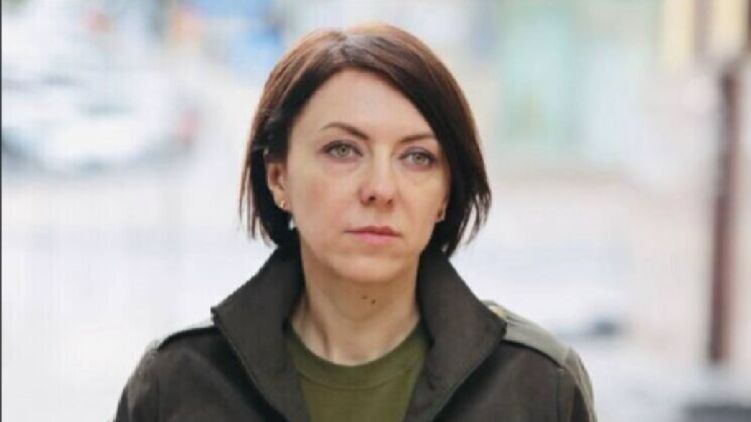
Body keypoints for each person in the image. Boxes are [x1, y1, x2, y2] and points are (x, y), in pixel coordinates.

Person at [115, 23, 596, 421]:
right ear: (278, 177)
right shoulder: (177, 383)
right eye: (342, 150)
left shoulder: (536, 385)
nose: (381, 188)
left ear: (445, 194)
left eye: (417, 157)